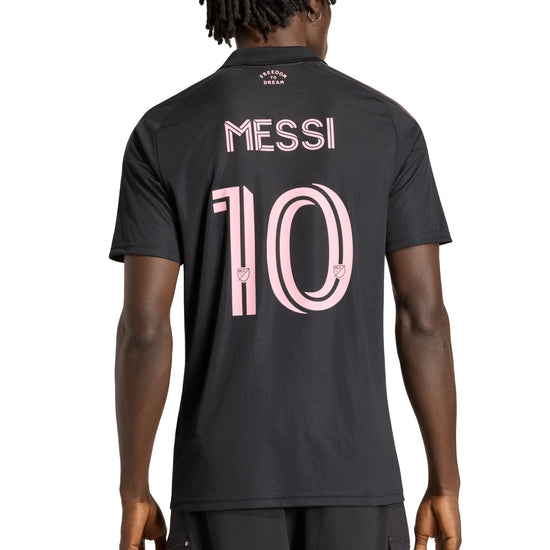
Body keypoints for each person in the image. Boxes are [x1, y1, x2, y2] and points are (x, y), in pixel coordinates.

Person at [109, 0, 462, 549]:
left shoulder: (164, 131)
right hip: (357, 474)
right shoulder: (388, 126)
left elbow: (145, 331)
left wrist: (134, 489)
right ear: (315, 8)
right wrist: (445, 483)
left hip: (221, 477)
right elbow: (423, 319)